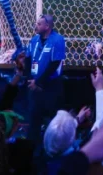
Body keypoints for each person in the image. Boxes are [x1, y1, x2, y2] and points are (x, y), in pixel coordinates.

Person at [23, 14, 67, 149]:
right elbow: (28, 59)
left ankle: (51, 147)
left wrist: (39, 82)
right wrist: (29, 79)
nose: (36, 26)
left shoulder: (58, 40)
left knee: (52, 118)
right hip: (34, 84)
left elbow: (54, 63)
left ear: (47, 26)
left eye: (38, 24)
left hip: (50, 86)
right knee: (33, 118)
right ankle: (31, 149)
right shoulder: (34, 40)